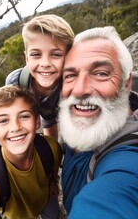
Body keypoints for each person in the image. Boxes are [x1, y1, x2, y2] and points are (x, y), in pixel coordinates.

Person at [58, 26, 138, 218]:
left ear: (126, 83)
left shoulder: (128, 162)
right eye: (70, 75)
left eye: (101, 73)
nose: (79, 90)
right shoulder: (82, 119)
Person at [0, 85, 62, 219]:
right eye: (4, 120)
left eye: (24, 116)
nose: (15, 127)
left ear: (37, 122)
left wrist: (53, 181)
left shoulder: (51, 148)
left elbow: (54, 167)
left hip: (47, 199)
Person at [6, 14, 74, 140]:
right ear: (27, 58)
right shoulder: (17, 82)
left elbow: (49, 118)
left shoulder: (73, 84)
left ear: (68, 56)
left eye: (55, 54)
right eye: (36, 54)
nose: (45, 63)